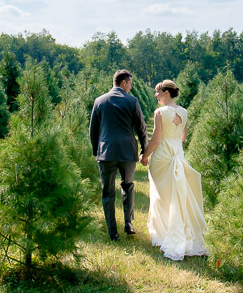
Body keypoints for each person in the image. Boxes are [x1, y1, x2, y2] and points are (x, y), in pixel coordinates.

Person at [140, 79, 207, 260]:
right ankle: (175, 232)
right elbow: (183, 137)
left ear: (166, 93)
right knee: (176, 195)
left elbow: (155, 139)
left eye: (158, 92)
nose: (156, 96)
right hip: (178, 153)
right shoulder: (184, 112)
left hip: (162, 156)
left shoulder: (160, 112)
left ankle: (162, 234)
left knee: (161, 196)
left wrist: (145, 155)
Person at [89, 69, 149, 241]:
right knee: (128, 185)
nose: (131, 87)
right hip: (127, 151)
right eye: (130, 84)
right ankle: (128, 222)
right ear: (123, 83)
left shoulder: (99, 101)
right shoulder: (132, 101)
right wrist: (144, 150)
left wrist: (96, 151)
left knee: (107, 192)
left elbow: (93, 130)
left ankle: (112, 231)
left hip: (106, 152)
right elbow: (141, 128)